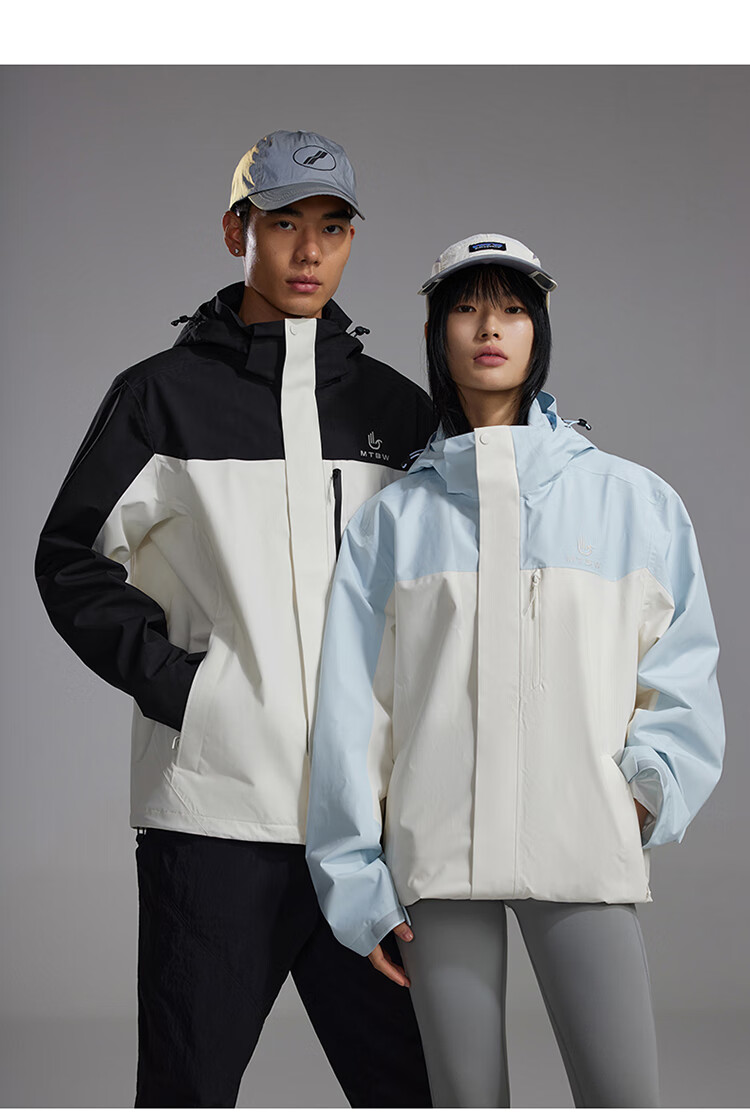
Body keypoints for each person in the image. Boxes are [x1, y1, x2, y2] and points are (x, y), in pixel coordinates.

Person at [34, 129, 435, 1108]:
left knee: (415, 1090)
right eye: (283, 223)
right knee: (188, 1089)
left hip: (371, 830)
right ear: (235, 231)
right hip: (214, 822)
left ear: (351, 241)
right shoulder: (160, 399)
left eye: (332, 227)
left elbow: (441, 598)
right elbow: (72, 557)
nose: (309, 250)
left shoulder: (395, 411)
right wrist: (193, 692)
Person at [305, 233, 726, 1107]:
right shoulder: (393, 523)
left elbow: (682, 669)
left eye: (510, 309)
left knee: (623, 1099)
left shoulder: (632, 502)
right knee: (466, 1102)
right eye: (465, 308)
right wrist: (354, 879)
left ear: (539, 330)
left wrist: (640, 795)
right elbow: (352, 712)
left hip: (581, 839)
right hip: (437, 854)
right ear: (436, 334)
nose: (489, 328)